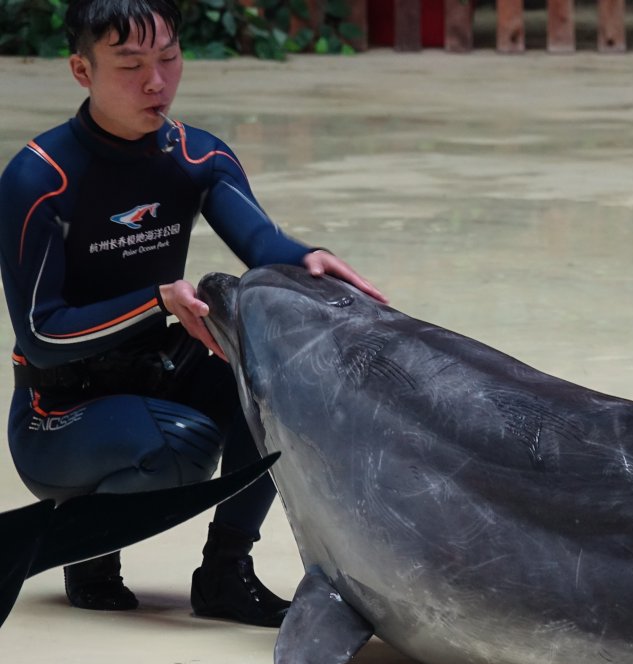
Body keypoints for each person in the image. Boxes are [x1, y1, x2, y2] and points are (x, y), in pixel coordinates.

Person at [0, 0, 385, 625]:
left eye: (169, 59)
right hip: (60, 417)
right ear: (81, 70)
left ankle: (225, 572)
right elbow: (42, 334)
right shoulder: (39, 180)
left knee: (279, 388)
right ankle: (91, 552)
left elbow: (263, 246)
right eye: (130, 65)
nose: (156, 82)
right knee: (179, 448)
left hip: (154, 373)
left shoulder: (196, 158)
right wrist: (154, 301)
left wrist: (311, 256)